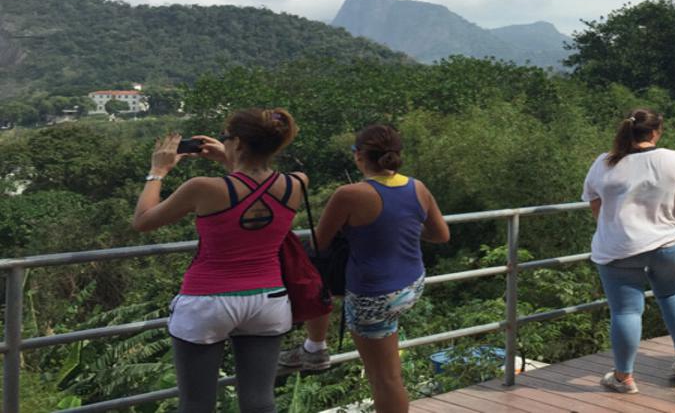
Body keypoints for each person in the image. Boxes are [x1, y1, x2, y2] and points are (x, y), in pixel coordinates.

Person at [132, 109, 307, 413]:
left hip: (207, 301)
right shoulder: (296, 184)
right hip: (269, 301)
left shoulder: (204, 188)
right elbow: (254, 184)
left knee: (197, 404)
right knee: (259, 402)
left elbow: (143, 220)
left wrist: (157, 171)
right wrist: (229, 157)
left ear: (238, 143)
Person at [279, 124, 449, 413]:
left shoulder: (350, 194)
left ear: (358, 156)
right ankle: (313, 346)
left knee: (384, 379)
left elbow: (320, 244)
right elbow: (441, 235)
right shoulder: (417, 186)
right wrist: (399, 226)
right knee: (389, 373)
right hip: (410, 285)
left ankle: (314, 345)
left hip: (373, 296)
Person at [582, 109, 675, 394]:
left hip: (618, 247)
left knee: (626, 311)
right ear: (656, 132)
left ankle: (624, 378)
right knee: (673, 295)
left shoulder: (604, 162)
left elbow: (594, 203)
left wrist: (613, 226)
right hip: (668, 242)